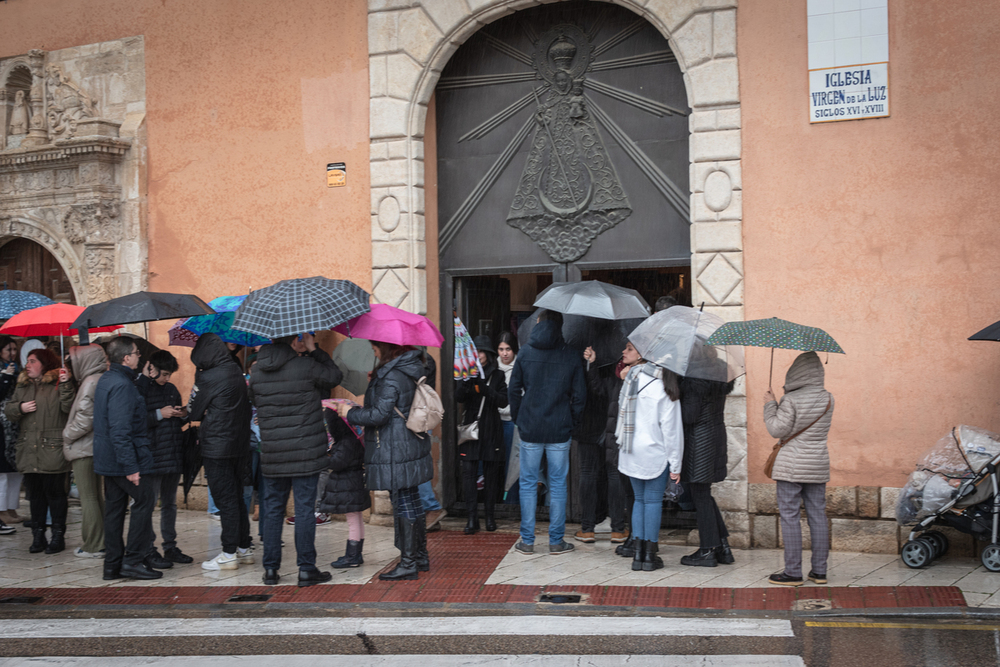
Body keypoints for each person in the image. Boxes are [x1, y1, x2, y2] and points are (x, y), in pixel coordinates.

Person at [249, 332, 342, 587]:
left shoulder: (257, 371)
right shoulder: (306, 365)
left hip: (273, 452)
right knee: (303, 510)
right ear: (293, 341)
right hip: (305, 452)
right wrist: (314, 350)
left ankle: (270, 569)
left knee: (272, 509)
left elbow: (255, 400)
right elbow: (334, 376)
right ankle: (306, 569)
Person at [337, 342, 433, 580]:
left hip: (395, 447)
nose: (373, 350)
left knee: (403, 502)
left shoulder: (392, 375)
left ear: (388, 348)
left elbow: (380, 415)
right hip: (407, 444)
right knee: (411, 500)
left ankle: (409, 563)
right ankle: (419, 556)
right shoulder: (408, 368)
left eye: (375, 347)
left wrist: (349, 413)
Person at [508, 309, 586, 556]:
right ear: (560, 326)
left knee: (528, 484)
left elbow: (514, 390)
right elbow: (580, 396)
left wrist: (520, 418)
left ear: (538, 323)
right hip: (560, 428)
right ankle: (556, 541)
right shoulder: (571, 355)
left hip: (530, 426)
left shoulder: (526, 353)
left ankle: (528, 541)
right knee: (558, 485)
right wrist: (571, 420)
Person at [763, 351, 834, 586]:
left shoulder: (791, 400)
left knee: (790, 516)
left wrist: (769, 405)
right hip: (817, 463)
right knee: (818, 516)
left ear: (795, 373)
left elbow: (777, 430)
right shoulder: (828, 398)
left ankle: (793, 572)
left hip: (791, 466)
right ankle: (820, 572)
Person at [93, 337, 160, 580]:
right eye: (136, 353)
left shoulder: (109, 379)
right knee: (144, 501)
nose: (139, 356)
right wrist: (131, 467)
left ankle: (112, 565)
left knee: (115, 509)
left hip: (109, 459)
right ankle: (132, 560)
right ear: (126, 358)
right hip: (122, 460)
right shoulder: (121, 385)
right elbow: (120, 430)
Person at [615, 341, 683, 572]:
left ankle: (638, 555)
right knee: (653, 501)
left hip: (630, 450)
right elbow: (672, 431)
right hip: (655, 452)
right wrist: (676, 463)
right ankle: (650, 555)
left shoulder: (632, 378)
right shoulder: (665, 386)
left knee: (639, 500)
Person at [189, 333, 253, 571]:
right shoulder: (235, 370)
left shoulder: (209, 377)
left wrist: (199, 381)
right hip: (239, 444)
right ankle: (244, 548)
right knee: (236, 497)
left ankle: (228, 553)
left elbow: (193, 411)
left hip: (217, 447)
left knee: (225, 500)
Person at [6, 347, 75, 554]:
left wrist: (66, 384)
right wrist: (20, 408)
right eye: (27, 361)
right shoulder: (22, 385)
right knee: (35, 497)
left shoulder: (58, 383)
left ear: (45, 364)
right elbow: (9, 410)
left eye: (33, 361)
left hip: (52, 449)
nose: (28, 365)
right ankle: (38, 536)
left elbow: (68, 408)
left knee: (56, 496)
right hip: (28, 449)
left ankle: (57, 536)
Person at [137, 350, 193, 565]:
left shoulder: (171, 390)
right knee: (149, 504)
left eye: (170, 375)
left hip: (172, 454)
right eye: (164, 374)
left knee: (169, 504)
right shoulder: (141, 389)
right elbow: (137, 420)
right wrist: (160, 414)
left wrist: (182, 414)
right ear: (153, 369)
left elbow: (179, 420)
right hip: (151, 456)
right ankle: (148, 548)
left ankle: (170, 546)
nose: (167, 378)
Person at [678, 364, 735, 567]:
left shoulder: (695, 379)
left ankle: (707, 550)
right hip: (714, 436)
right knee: (704, 494)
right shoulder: (719, 371)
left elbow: (689, 415)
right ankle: (722, 546)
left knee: (700, 495)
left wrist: (678, 392)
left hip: (699, 442)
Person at [455, 336, 508, 535]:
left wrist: (486, 389)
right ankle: (471, 518)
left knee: (491, 476)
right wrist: (466, 382)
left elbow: (504, 401)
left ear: (488, 355)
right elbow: (458, 397)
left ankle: (490, 517)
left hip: (491, 429)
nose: (477, 355)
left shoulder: (498, 375)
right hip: (471, 429)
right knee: (468, 473)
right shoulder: (465, 373)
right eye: (474, 352)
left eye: (481, 352)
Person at [62, 344, 108, 558]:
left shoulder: (90, 382)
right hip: (94, 446)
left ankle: (93, 544)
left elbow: (85, 419)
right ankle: (101, 540)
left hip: (83, 447)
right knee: (95, 496)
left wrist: (66, 435)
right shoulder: (99, 379)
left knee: (88, 497)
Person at [574, 345, 617, 544]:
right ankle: (617, 528)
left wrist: (591, 365)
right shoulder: (619, 352)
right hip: (611, 424)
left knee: (590, 473)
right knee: (612, 474)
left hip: (590, 423)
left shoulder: (579, 343)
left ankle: (588, 528)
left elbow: (594, 391)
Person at [319, 407, 370, 568]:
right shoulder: (354, 439)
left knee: (353, 521)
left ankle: (352, 556)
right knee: (357, 519)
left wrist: (325, 458)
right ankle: (357, 553)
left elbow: (338, 463)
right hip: (353, 484)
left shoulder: (345, 442)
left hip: (348, 487)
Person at [0, 336, 23, 528]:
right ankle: (2, 510)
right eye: (9, 349)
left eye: (15, 349)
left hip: (15, 424)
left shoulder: (18, 369)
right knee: (3, 472)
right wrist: (5, 377)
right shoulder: (4, 371)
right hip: (2, 426)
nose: (13, 353)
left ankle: (12, 507)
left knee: (16, 469)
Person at [496, 332, 519, 505]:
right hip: (496, 422)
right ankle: (498, 500)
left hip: (513, 422)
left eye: (508, 349)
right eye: (501, 349)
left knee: (513, 466)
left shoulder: (520, 366)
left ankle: (511, 503)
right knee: (497, 463)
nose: (504, 353)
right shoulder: (492, 368)